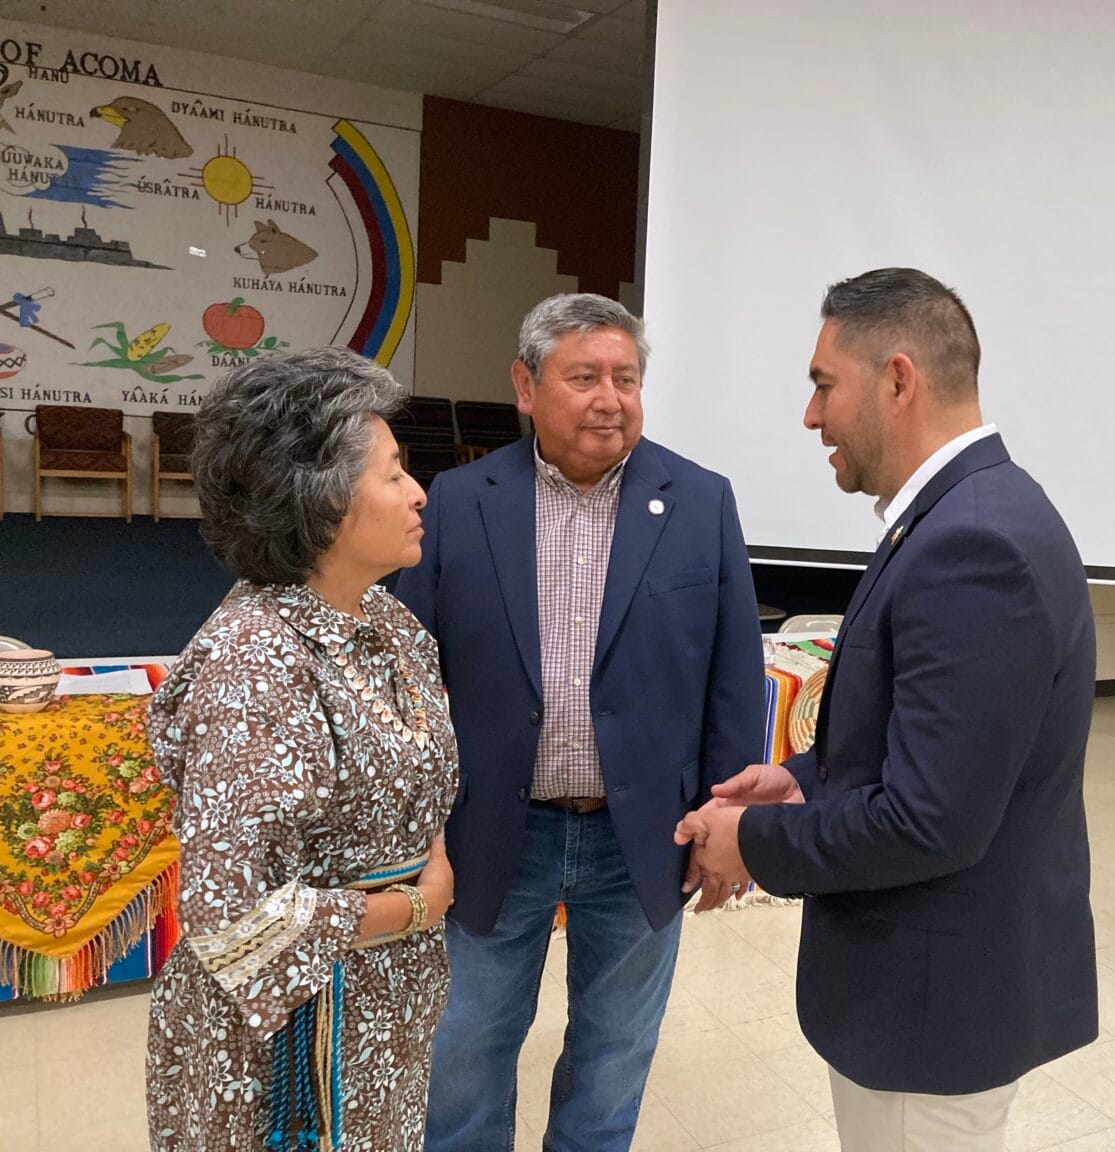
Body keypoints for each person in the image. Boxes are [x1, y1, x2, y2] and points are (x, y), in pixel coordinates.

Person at [675, 268, 1099, 1152]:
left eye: (824, 385)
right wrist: (798, 781)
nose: (811, 415)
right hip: (932, 991)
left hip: (932, 1010)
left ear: (898, 379)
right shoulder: (959, 516)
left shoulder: (974, 543)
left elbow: (931, 820)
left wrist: (748, 843)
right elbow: (916, 747)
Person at [396, 292, 764, 1151]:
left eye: (627, 378)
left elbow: (733, 677)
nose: (611, 398)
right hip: (494, 832)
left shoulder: (701, 501)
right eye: (585, 376)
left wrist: (730, 819)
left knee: (612, 1059)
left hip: (644, 836)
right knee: (466, 1051)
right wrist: (416, 831)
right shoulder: (459, 500)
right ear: (526, 386)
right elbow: (409, 677)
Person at [145, 347, 459, 1152]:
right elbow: (233, 918)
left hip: (381, 1003)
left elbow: (416, 780)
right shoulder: (255, 659)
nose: (419, 492)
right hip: (287, 1040)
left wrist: (426, 864)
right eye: (393, 474)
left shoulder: (390, 627)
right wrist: (416, 905)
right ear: (321, 502)